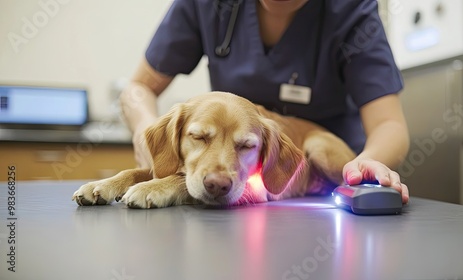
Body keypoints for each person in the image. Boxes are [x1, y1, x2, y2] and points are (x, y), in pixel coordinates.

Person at [120, 0, 410, 204]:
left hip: (331, 169)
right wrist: (148, 134)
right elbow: (139, 87)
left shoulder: (351, 10)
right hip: (236, 171)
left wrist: (361, 166)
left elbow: (389, 124)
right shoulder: (206, 5)